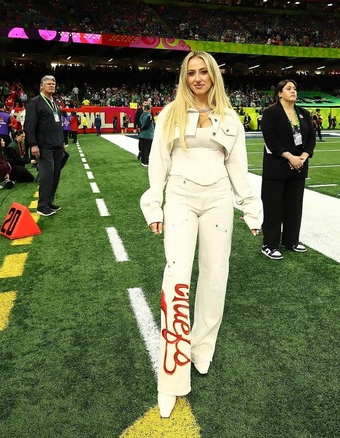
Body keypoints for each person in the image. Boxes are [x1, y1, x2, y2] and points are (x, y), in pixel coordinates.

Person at [139, 50, 262, 419]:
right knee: (176, 277)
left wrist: (251, 209)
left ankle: (202, 348)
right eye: (190, 72)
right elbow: (158, 162)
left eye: (203, 72)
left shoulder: (230, 118)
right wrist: (154, 205)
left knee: (215, 276)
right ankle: (171, 377)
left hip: (219, 199)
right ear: (184, 76)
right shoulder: (169, 113)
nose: (197, 78)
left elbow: (238, 167)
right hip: (179, 196)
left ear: (213, 76)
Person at [259, 78, 316, 260]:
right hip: (277, 166)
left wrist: (304, 156)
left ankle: (291, 240)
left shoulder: (304, 113)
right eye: (289, 88)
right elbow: (271, 139)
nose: (293, 91)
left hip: (298, 167)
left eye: (295, 88)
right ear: (279, 93)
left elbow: (311, 139)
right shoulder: (271, 113)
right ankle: (270, 244)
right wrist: (290, 157)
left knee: (294, 207)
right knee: (273, 207)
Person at [24, 75, 66, 216]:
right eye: (48, 83)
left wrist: (62, 141)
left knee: (55, 175)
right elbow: (29, 125)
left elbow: (58, 124)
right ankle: (42, 206)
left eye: (53, 83)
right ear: (42, 86)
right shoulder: (35, 102)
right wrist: (33, 144)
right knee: (47, 174)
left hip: (57, 145)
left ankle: (49, 202)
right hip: (44, 146)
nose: (52, 85)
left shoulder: (55, 103)